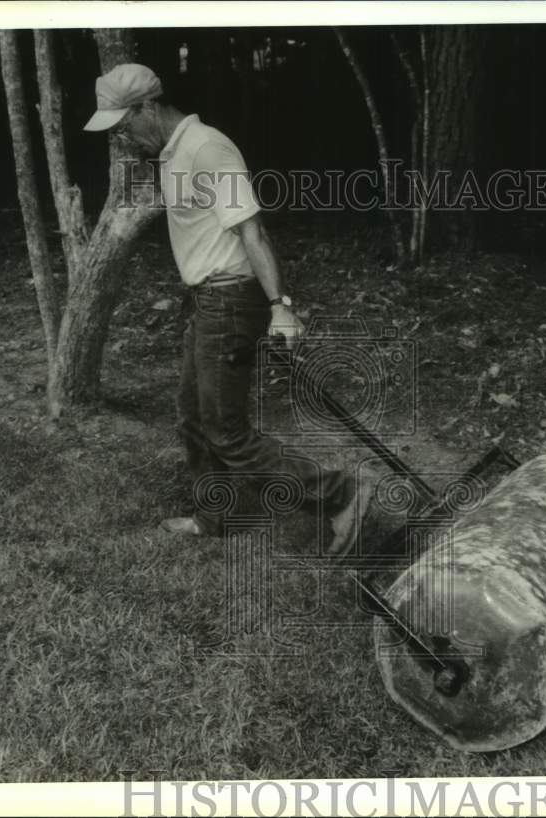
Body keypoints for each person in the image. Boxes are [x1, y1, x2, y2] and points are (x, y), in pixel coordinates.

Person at [84, 63, 371, 552]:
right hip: (208, 298)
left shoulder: (208, 148)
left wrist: (281, 306)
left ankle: (340, 493)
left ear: (148, 108)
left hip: (231, 299)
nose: (124, 136)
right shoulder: (172, 153)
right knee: (193, 416)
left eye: (125, 124)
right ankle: (213, 518)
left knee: (226, 431)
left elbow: (251, 229)